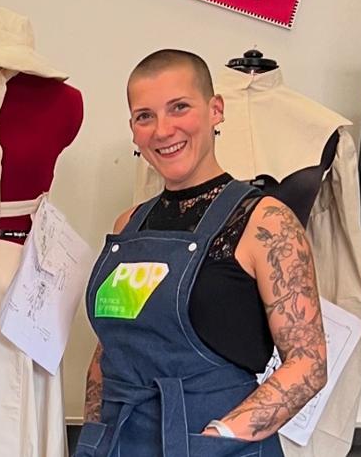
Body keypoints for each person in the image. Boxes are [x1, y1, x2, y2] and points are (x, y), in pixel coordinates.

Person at [77, 49, 326, 457]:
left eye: (180, 108)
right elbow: (106, 352)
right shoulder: (129, 225)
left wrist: (218, 439)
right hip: (119, 442)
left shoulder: (266, 223)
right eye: (145, 116)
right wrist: (91, 434)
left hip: (215, 447)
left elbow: (308, 362)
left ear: (215, 110)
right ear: (133, 130)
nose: (163, 129)